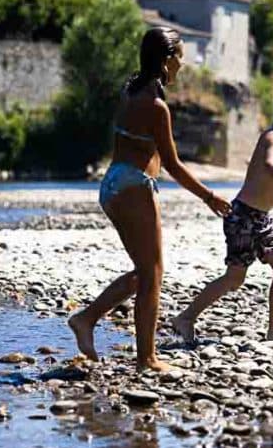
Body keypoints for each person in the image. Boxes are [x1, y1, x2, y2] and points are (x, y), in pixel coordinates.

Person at [68, 27, 231, 371]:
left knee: (144, 274)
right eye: (179, 59)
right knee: (153, 274)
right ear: (166, 60)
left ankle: (86, 319)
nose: (181, 67)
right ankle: (147, 358)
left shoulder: (130, 89)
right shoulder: (157, 107)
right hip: (135, 187)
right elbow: (171, 164)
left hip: (112, 183)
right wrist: (209, 196)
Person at [171, 86, 273, 343]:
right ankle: (186, 317)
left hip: (260, 218)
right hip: (243, 216)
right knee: (234, 278)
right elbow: (269, 164)